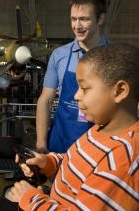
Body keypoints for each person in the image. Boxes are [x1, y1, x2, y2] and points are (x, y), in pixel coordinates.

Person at [9, 43, 139, 210]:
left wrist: (31, 198)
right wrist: (47, 163)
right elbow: (77, 162)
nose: (76, 96)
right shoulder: (101, 129)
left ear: (120, 91)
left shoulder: (121, 163)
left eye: (84, 88)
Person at [36, 0, 109, 153]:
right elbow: (45, 100)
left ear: (101, 19)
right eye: (73, 19)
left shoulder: (113, 56)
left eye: (84, 19)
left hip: (99, 146)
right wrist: (41, 144)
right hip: (60, 143)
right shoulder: (59, 55)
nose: (77, 26)